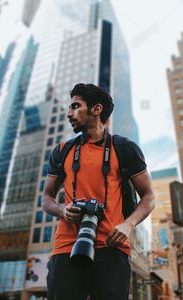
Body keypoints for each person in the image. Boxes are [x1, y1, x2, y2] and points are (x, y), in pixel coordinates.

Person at [42, 83, 155, 300]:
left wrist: (128, 224)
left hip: (112, 246)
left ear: (96, 109)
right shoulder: (62, 150)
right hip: (66, 247)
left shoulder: (125, 148)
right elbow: (46, 198)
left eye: (76, 106)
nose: (69, 113)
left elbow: (149, 196)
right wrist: (62, 210)